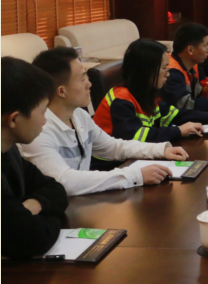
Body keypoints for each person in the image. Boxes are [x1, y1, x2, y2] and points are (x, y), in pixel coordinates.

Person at [19, 48, 190, 197]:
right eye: (82, 79)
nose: (89, 84)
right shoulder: (37, 130)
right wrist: (135, 175)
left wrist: (160, 150)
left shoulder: (79, 115)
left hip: (82, 200)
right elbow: (65, 181)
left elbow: (112, 147)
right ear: (61, 91)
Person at [94, 39, 208, 142]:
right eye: (164, 68)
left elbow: (174, 114)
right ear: (146, 71)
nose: (168, 73)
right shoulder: (121, 99)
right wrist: (178, 131)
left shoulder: (145, 92)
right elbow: (135, 137)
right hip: (111, 166)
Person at [1, 57, 68, 259]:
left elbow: (56, 190)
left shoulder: (9, 152)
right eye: (42, 111)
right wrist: (53, 217)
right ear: (14, 119)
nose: (44, 121)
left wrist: (34, 205)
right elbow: (33, 239)